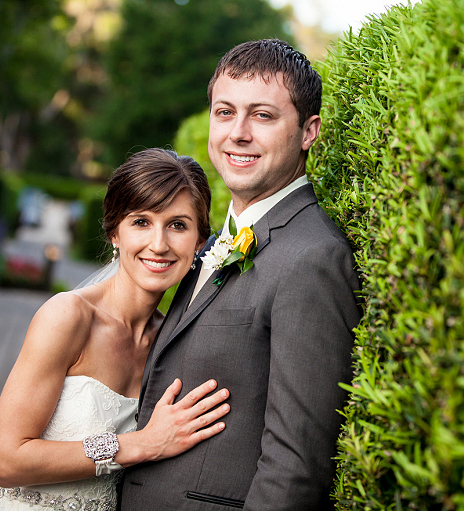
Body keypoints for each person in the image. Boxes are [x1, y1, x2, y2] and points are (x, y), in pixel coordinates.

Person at [121, 40, 362, 510]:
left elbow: (295, 466)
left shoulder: (313, 258)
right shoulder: (211, 245)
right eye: (225, 112)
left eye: (263, 116)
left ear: (309, 131)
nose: (238, 133)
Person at [0, 148, 231, 511]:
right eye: (141, 222)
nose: (159, 244)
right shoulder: (68, 317)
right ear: (115, 232)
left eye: (178, 225)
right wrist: (140, 444)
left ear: (199, 242)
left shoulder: (171, 341)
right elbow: (8, 460)